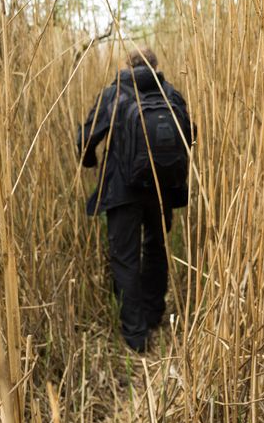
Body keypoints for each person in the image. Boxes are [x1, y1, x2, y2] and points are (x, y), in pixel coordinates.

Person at [77, 47, 193, 352]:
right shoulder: (171, 94)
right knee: (156, 248)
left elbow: (87, 138)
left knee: (125, 258)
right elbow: (190, 134)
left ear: (127, 66)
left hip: (122, 192)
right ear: (155, 65)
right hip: (161, 189)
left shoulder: (113, 96)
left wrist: (89, 161)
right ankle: (154, 315)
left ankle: (136, 337)